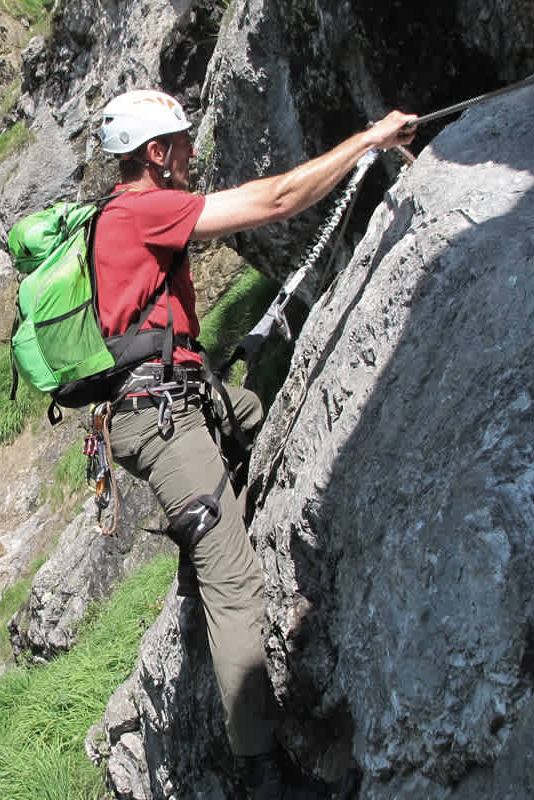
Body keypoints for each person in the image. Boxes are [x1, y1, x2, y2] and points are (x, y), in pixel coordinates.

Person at [92, 89, 416, 798]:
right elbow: (273, 201)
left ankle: (207, 534)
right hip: (166, 420)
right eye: (180, 144)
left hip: (183, 400)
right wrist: (368, 140)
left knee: (252, 411)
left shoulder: (121, 215)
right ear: (156, 153)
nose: (190, 155)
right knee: (234, 584)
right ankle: (263, 773)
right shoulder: (144, 209)